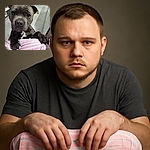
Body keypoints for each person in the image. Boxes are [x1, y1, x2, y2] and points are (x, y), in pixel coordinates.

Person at [0, 2, 150, 150]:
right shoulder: (27, 81)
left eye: (87, 42)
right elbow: (1, 141)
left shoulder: (122, 79)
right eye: (66, 42)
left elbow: (147, 141)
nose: (77, 52)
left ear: (102, 45)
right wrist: (26, 122)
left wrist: (120, 120)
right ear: (51, 44)